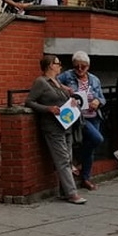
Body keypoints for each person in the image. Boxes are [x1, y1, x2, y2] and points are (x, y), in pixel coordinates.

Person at [25, 55, 86, 204]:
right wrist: (48, 109)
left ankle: (64, 191)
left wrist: (71, 101)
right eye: (58, 64)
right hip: (52, 127)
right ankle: (72, 193)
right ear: (50, 65)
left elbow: (62, 99)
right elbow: (29, 101)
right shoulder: (41, 82)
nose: (60, 66)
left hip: (66, 124)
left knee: (68, 158)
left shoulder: (57, 82)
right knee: (63, 159)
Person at [58, 51, 106, 191]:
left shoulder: (94, 79)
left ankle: (85, 177)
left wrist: (97, 101)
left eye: (83, 66)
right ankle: (78, 161)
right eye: (77, 66)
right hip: (78, 117)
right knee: (97, 139)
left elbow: (102, 98)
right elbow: (52, 82)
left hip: (94, 116)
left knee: (90, 147)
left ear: (88, 66)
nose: (79, 69)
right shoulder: (67, 76)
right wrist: (64, 88)